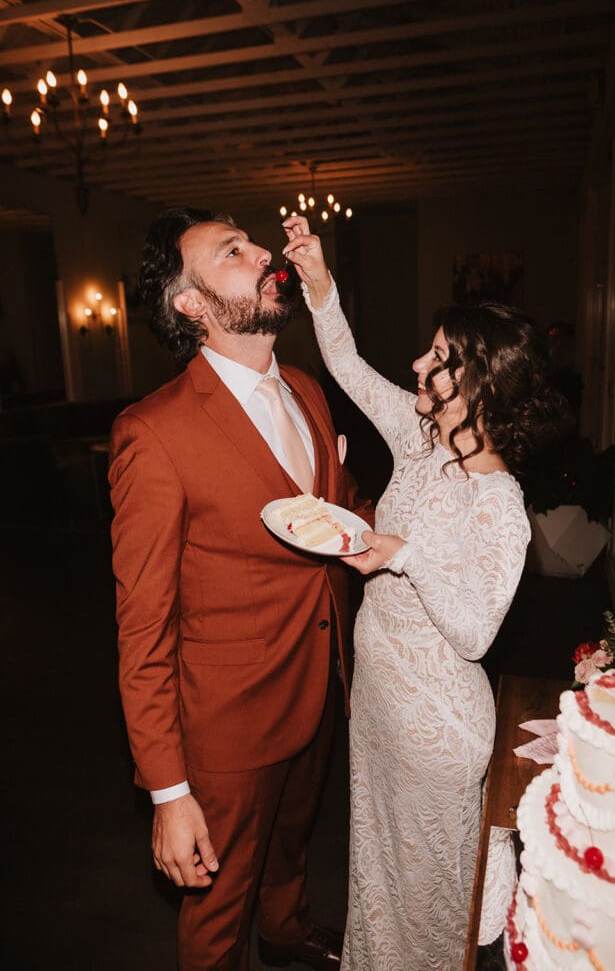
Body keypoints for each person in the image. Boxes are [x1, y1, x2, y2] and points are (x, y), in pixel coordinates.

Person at [281, 215, 566, 970]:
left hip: (436, 727)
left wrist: (404, 556)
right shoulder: (418, 438)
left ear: (479, 385)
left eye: (437, 358)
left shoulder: (499, 505)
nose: (416, 364)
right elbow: (346, 365)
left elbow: (473, 634)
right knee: (377, 877)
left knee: (429, 902)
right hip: (379, 704)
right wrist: (319, 282)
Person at [109, 207, 372, 971]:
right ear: (192, 304)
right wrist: (168, 794)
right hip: (228, 725)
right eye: (233, 252)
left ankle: (287, 931)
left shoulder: (306, 390)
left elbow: (342, 510)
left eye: (250, 242)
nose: (262, 253)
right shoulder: (153, 433)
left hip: (321, 678)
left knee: (291, 844)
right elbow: (142, 630)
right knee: (218, 909)